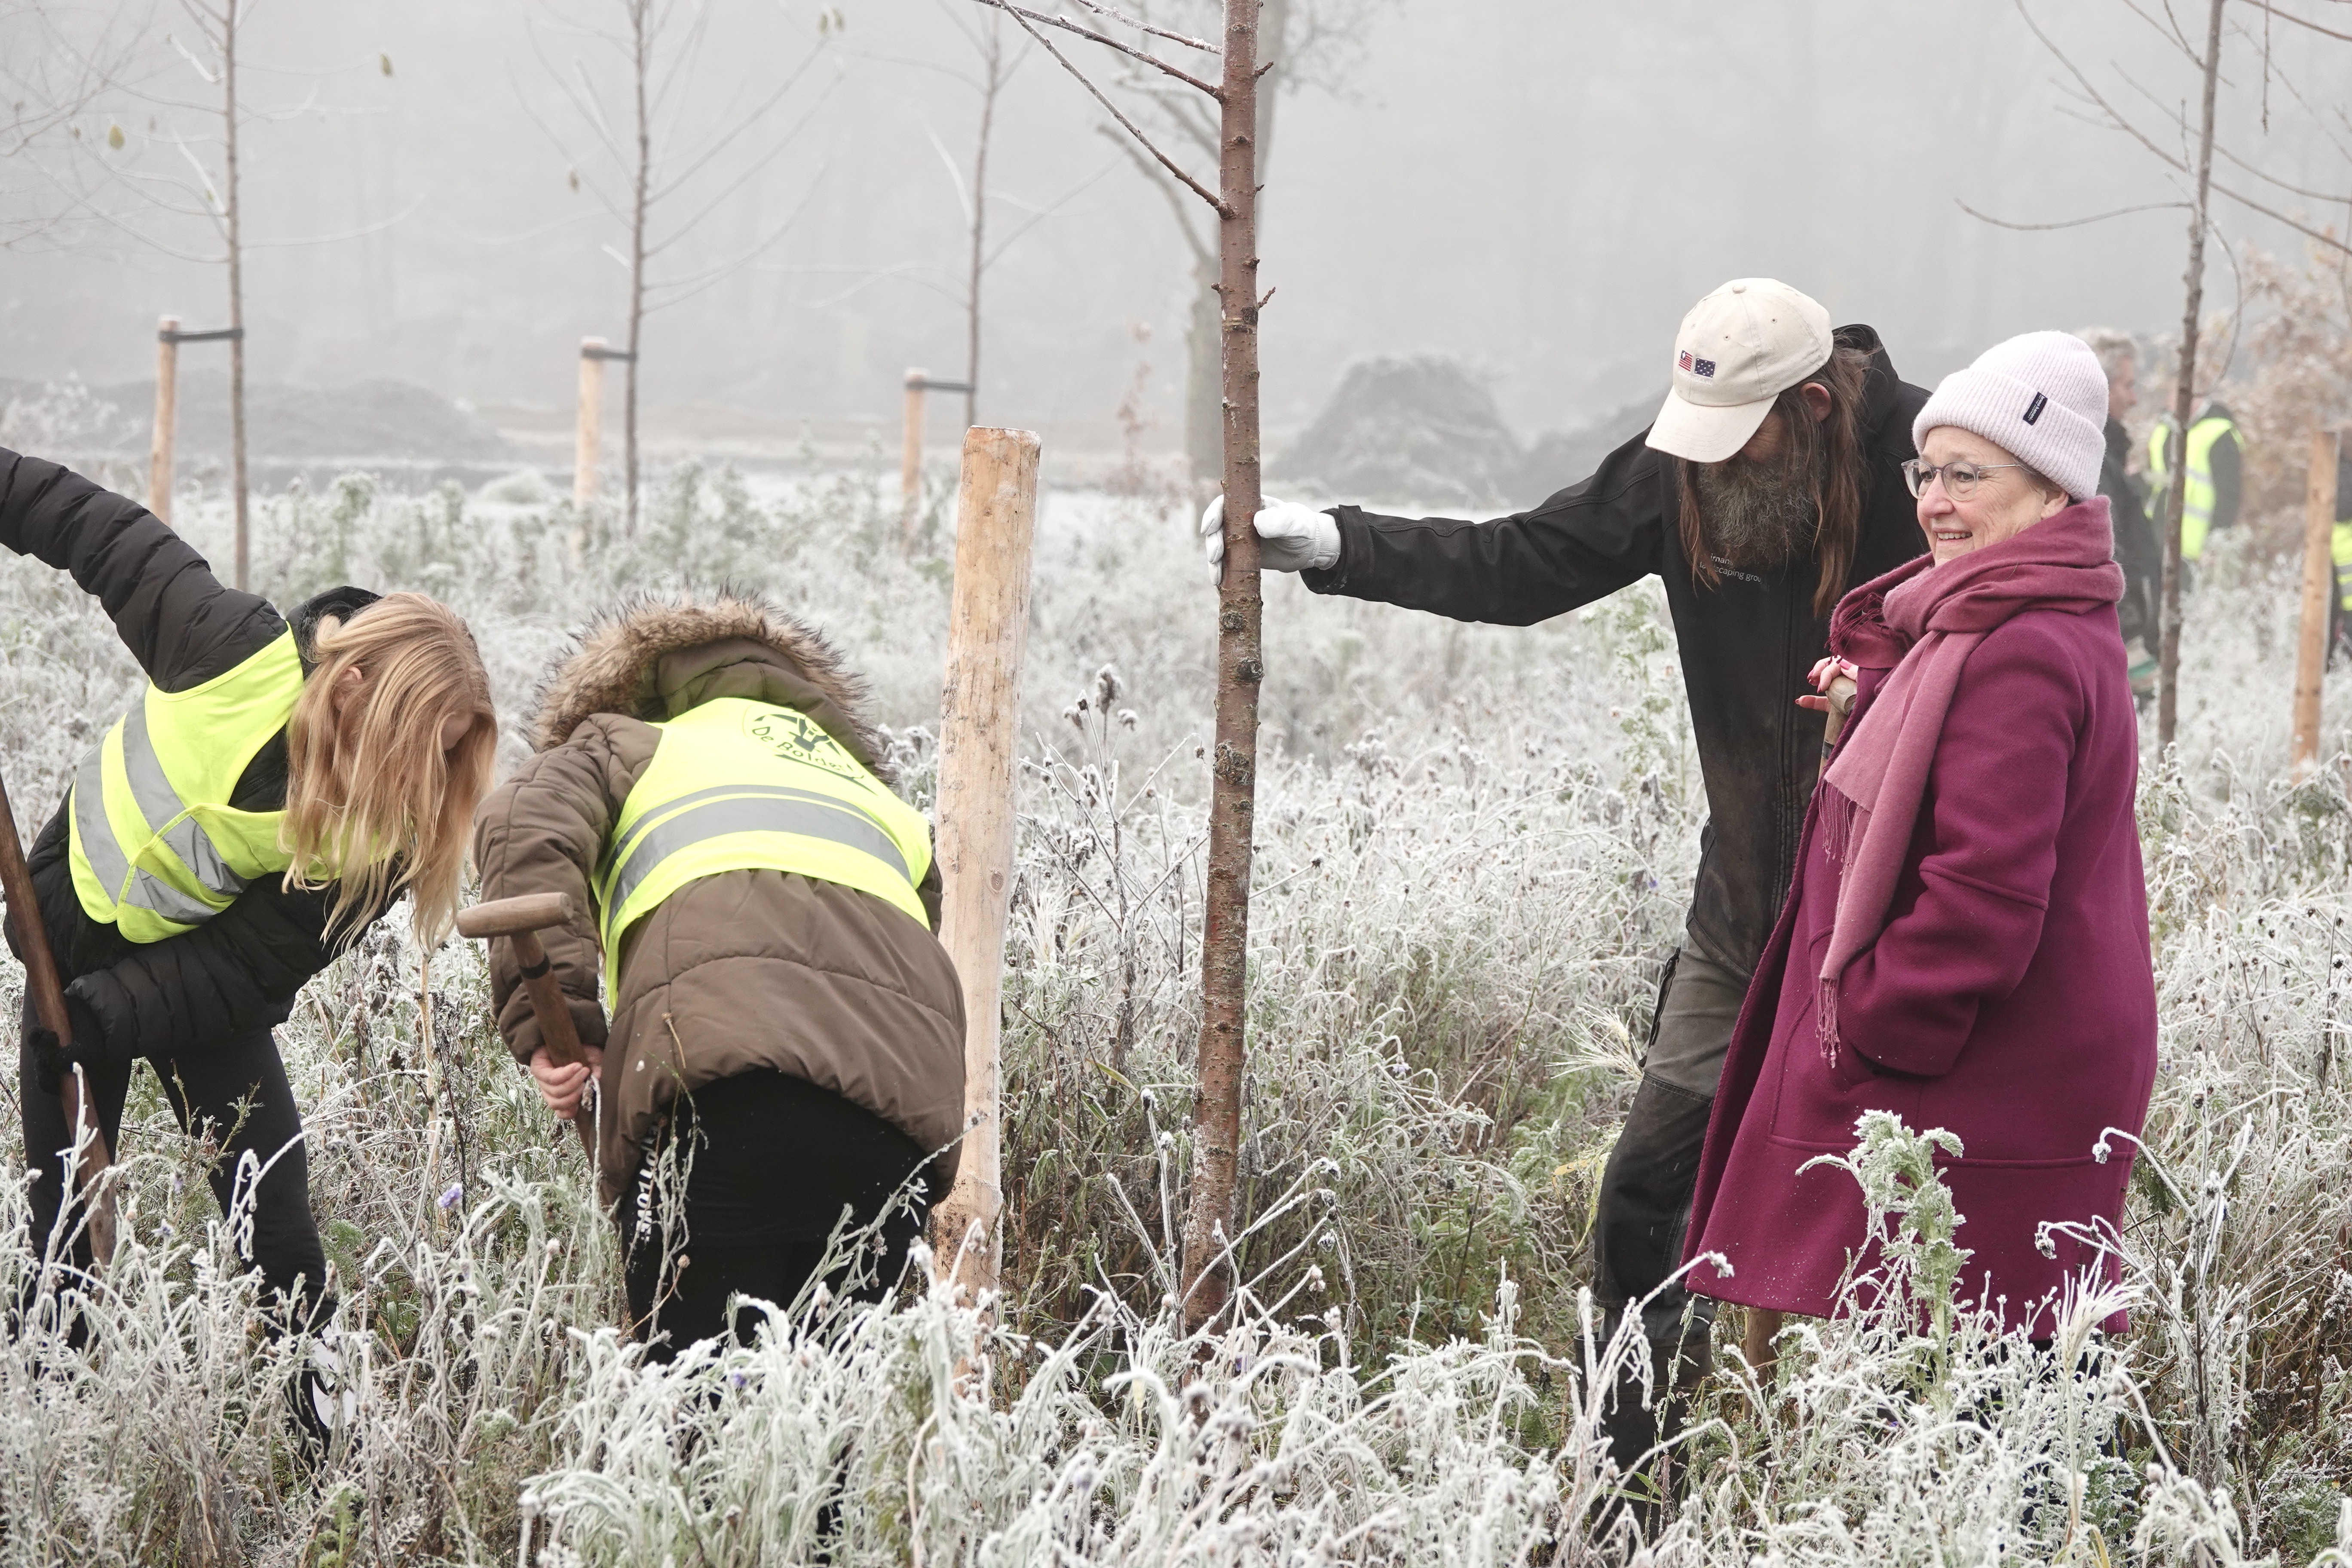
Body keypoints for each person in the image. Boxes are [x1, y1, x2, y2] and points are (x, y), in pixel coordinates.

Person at [1203, 279, 1929, 1470]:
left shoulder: (1931, 468)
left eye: (1735, 438)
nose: (1706, 465)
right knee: (1649, 1197)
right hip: (1745, 918)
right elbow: (1524, 562)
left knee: (1911, 1219)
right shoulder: (1679, 472)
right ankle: (1634, 1481)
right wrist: (1340, 543)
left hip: (1910, 926)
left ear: (1807, 406)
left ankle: (1898, 1493)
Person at [0, 444, 498, 1443]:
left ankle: (326, 1444)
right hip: (66, 933)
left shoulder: (386, 837)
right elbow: (86, 526)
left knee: (274, 1215)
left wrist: (109, 1014)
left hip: (195, 987)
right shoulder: (227, 647)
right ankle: (47, 1436)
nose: (415, 783)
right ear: (351, 683)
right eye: (408, 749)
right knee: (63, 1222)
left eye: (440, 761)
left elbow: (247, 967)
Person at [1683, 332, 2157, 1341]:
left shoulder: (2015, 649)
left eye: (1967, 476)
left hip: (1995, 1075)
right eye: (1925, 470)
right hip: (2029, 1060)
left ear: (2049, 492)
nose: (1932, 500)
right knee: (1995, 1384)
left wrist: (1865, 1024)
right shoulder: (2018, 621)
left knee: (1982, 1401)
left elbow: (1978, 900)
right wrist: (1888, 703)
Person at [471, 588, 965, 1359]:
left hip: (719, 1107)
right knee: (820, 1431)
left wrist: (555, 1027)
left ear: (636, 685)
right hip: (894, 1132)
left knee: (698, 1422)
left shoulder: (622, 741)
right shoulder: (869, 788)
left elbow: (521, 826)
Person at [2077, 328, 2162, 696]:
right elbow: (2103, 553)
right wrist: (2130, 642)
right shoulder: (2094, 460)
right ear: (2100, 389)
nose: (2134, 397)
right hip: (2118, 644)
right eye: (2127, 385)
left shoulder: (2102, 455)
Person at [2146, 394, 2243, 582]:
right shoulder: (2163, 430)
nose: (2174, 404)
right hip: (2155, 543)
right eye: (2171, 397)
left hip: (2195, 553)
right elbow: (2154, 482)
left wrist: (2215, 543)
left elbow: (2229, 496)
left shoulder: (2219, 433)